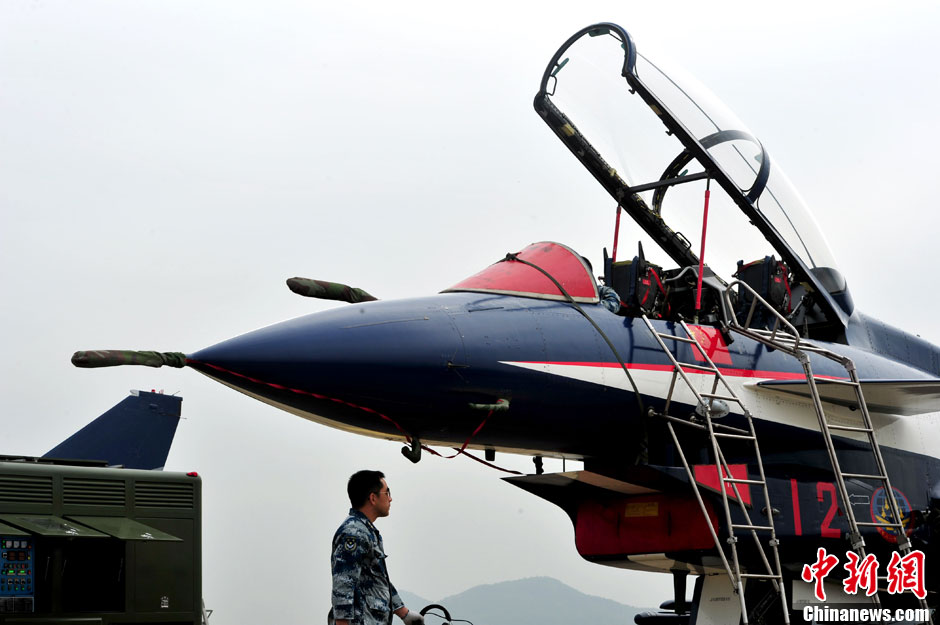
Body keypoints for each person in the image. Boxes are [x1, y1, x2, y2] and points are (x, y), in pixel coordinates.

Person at [329, 470, 424, 625]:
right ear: (373, 498)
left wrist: (404, 613)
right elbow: (343, 585)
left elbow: (377, 579)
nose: (390, 498)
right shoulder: (353, 533)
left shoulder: (367, 531)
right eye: (387, 492)